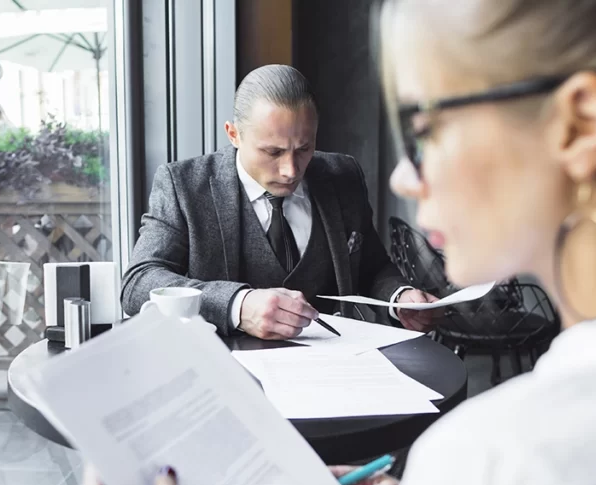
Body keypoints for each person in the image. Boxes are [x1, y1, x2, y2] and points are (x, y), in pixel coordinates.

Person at [88, 0, 596, 485]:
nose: (404, 176)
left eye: (426, 128)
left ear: (582, 126)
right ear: (234, 135)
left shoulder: (500, 459)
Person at [121, 64, 442, 339]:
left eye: (304, 148)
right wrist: (238, 305)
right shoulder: (183, 185)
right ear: (234, 134)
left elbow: (373, 268)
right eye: (272, 152)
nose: (290, 170)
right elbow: (138, 283)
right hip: (224, 371)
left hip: (335, 371)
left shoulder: (342, 175)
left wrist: (398, 297)